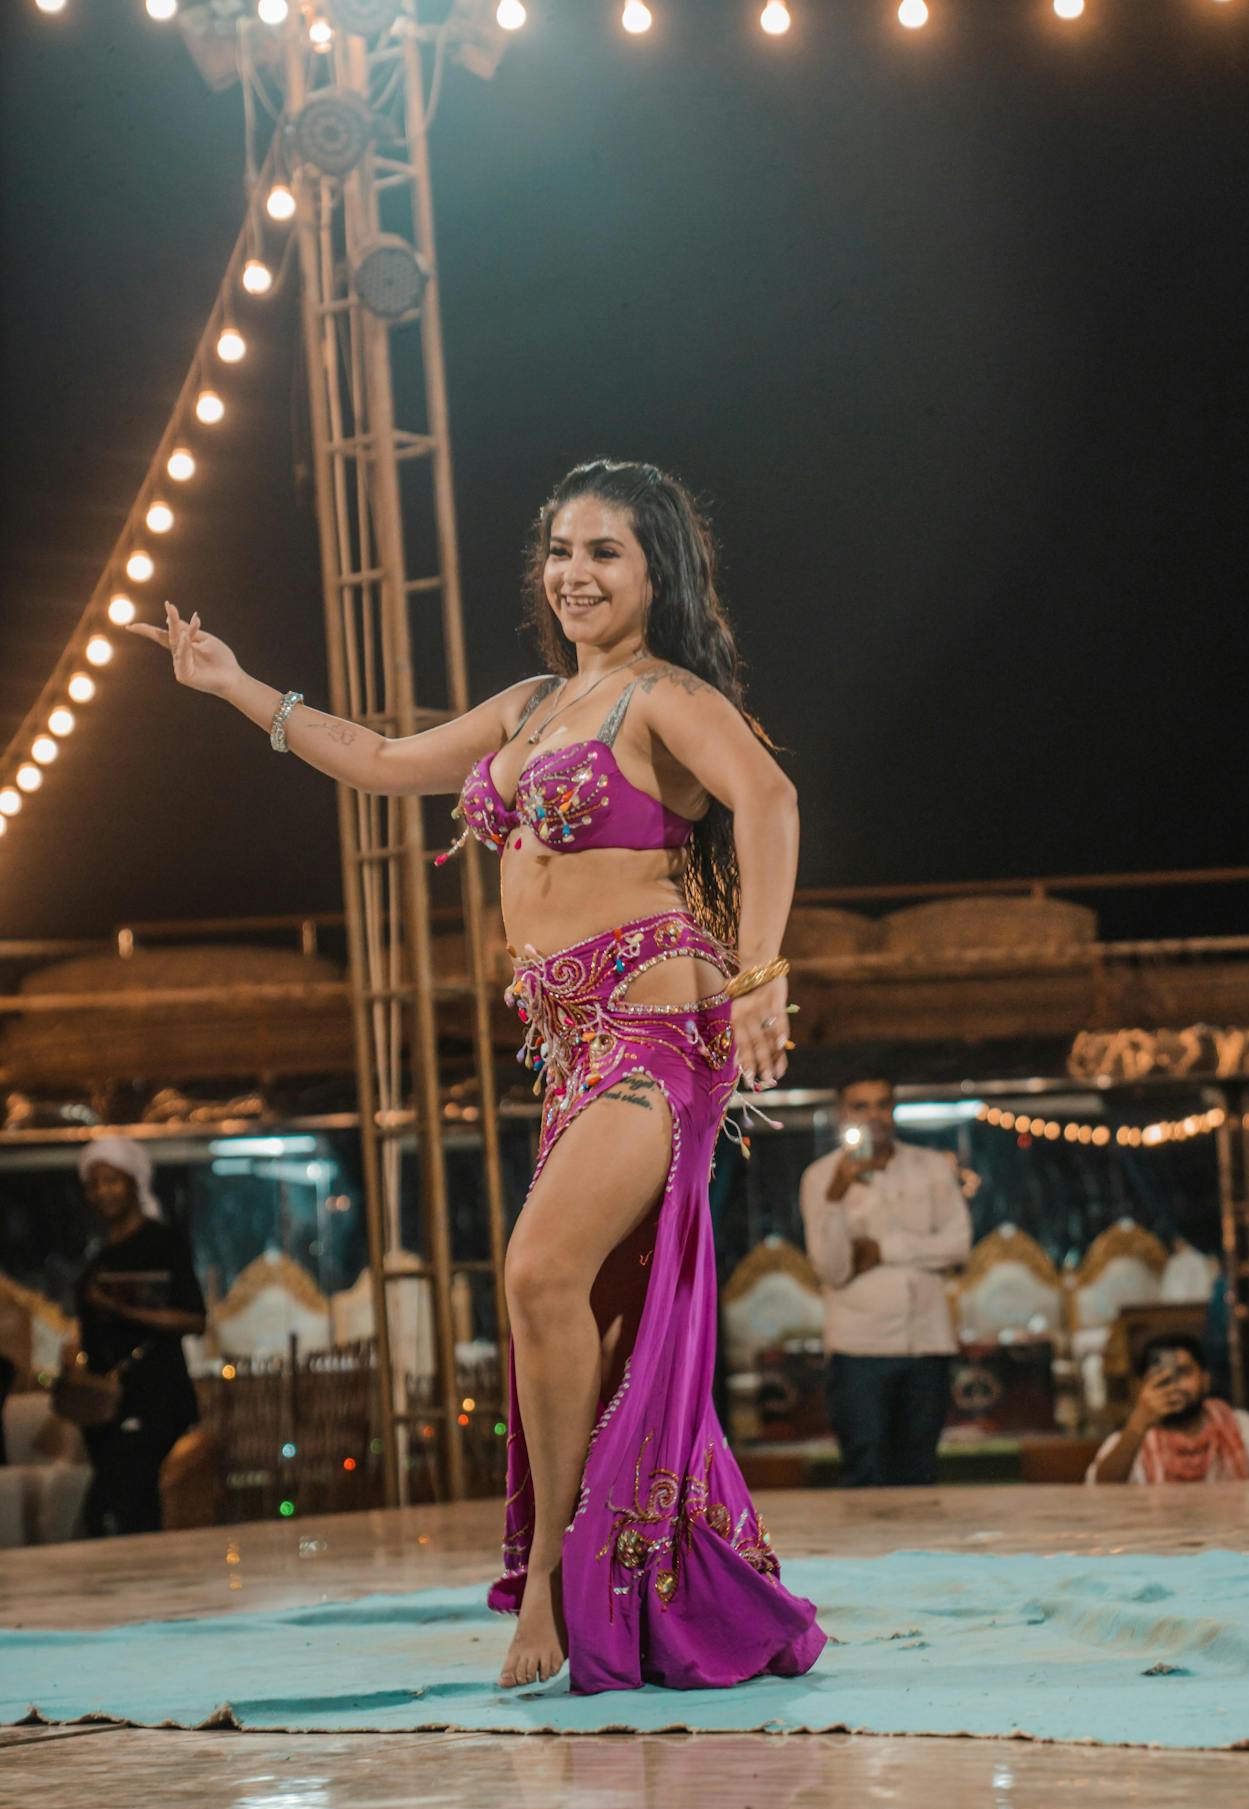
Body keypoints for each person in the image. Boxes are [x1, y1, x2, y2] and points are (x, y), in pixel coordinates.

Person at [132, 458, 826, 1696]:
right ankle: (642, 1574)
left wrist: (761, 970)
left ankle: (552, 1578)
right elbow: (379, 757)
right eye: (560, 549)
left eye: (604, 551)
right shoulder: (531, 706)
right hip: (569, 1049)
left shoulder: (665, 697)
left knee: (536, 1270)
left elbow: (767, 799)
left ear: (656, 569)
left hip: (654, 1029)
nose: (574, 573)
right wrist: (235, 684)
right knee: (586, 1312)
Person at [800, 1076, 972, 1488]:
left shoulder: (931, 1167)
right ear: (842, 1114)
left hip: (927, 1342)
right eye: (860, 1106)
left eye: (882, 1104)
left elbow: (957, 1245)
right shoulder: (821, 1177)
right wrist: (837, 1195)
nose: (873, 1115)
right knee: (866, 1472)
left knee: (920, 1473)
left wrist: (882, 1250)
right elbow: (832, 1270)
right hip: (860, 1348)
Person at [74, 1139, 206, 1536]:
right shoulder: (98, 1256)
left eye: (112, 1180)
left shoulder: (161, 1243)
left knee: (136, 1509)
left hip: (155, 1399)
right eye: (94, 1184)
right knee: (110, 1511)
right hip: (105, 1409)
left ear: (134, 1182)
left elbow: (195, 1319)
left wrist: (120, 1308)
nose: (103, 1192)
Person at [1086, 1331, 1249, 1484]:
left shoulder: (1244, 1429)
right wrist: (1138, 1425)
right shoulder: (1130, 1441)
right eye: (1159, 1376)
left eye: (1183, 1372)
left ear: (1205, 1380)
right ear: (1142, 1387)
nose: (1174, 1386)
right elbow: (1101, 1493)